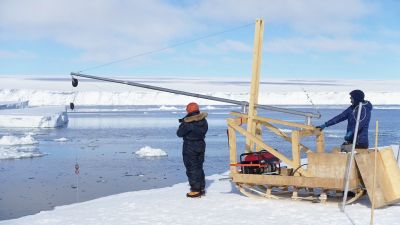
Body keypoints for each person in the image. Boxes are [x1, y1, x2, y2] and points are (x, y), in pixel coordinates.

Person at [177, 102, 208, 198]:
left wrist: (184, 123)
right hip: (201, 144)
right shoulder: (203, 120)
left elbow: (179, 133)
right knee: (199, 166)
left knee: (191, 168)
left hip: (190, 146)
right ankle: (201, 187)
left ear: (189, 110)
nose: (186, 110)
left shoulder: (188, 122)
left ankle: (195, 189)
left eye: (187, 109)